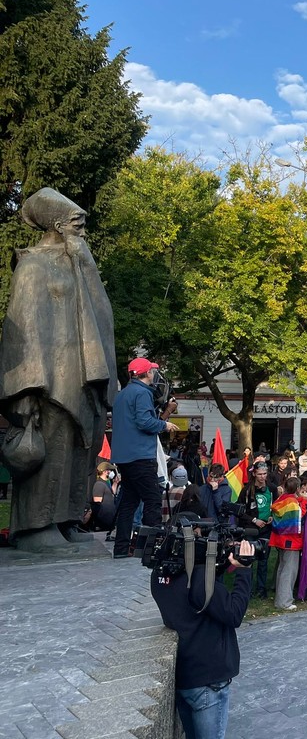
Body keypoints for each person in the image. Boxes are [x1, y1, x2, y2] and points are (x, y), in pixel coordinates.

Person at [0, 188, 118, 550]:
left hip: (80, 372)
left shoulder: (79, 264)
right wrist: (26, 389)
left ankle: (65, 518)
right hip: (49, 379)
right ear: (54, 222)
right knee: (51, 449)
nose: (81, 227)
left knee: (79, 449)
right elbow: (24, 326)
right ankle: (37, 526)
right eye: (73, 221)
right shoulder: (34, 265)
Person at [151, 536, 254, 739]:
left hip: (185, 676)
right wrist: (244, 570)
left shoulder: (158, 575)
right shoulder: (198, 580)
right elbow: (234, 613)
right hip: (209, 681)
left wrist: (222, 561)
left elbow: (199, 590)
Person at [111, 358, 180, 558]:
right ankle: (150, 550)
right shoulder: (142, 393)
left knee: (128, 503)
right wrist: (164, 425)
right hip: (140, 456)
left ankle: (121, 549)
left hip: (124, 457)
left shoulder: (122, 394)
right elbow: (144, 422)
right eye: (152, 371)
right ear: (148, 374)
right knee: (152, 500)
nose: (155, 374)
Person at [270, 476, 307, 610]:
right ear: (297, 488)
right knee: (289, 570)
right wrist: (304, 501)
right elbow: (299, 516)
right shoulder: (292, 502)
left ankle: (280, 598)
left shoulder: (282, 499)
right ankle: (284, 602)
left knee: (282, 568)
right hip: (291, 541)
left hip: (280, 539)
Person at [238, 462, 273, 597]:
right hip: (251, 529)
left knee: (264, 560)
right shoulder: (247, 490)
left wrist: (271, 516)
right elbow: (240, 511)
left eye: (264, 474)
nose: (262, 477)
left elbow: (276, 505)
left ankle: (261, 589)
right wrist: (254, 520)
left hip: (266, 528)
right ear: (254, 474)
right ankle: (248, 589)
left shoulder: (271, 488)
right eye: (259, 474)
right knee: (249, 559)